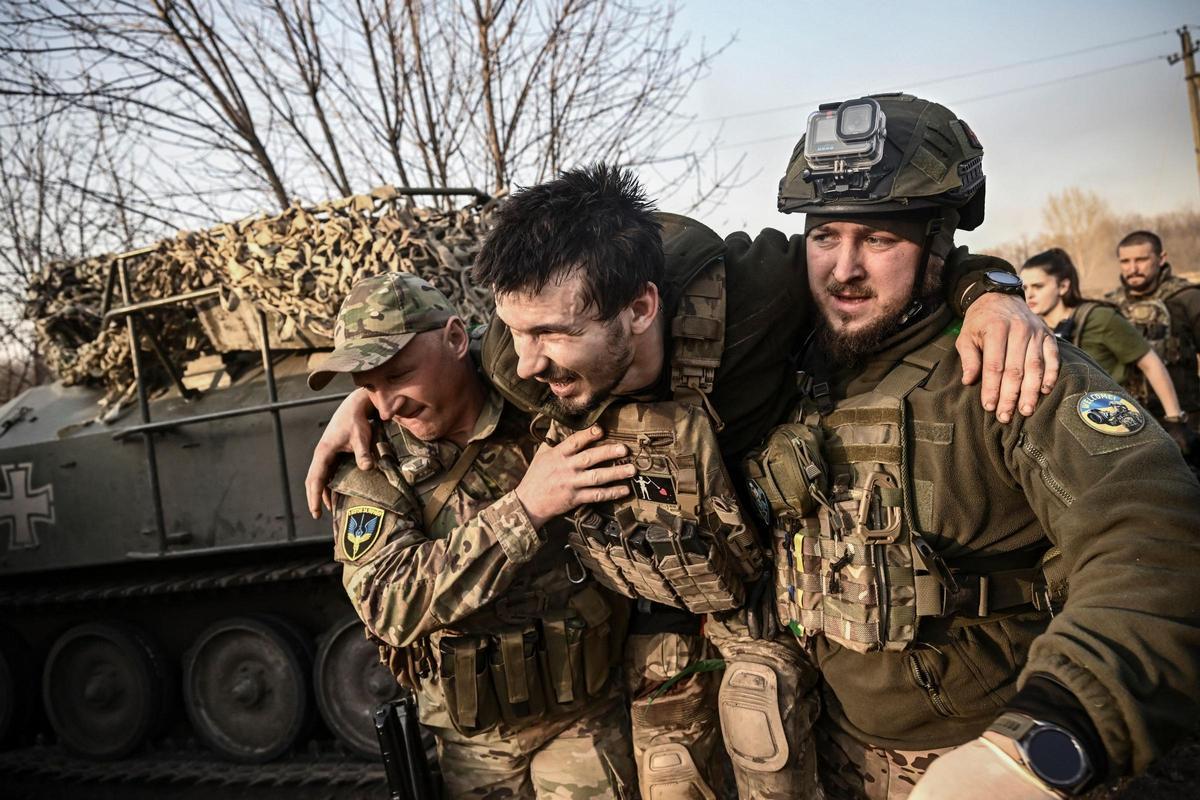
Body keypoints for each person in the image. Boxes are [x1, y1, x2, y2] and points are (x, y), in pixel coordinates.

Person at [305, 163, 1057, 799]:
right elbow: (453, 393)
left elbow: (874, 273)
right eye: (520, 338)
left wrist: (991, 291)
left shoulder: (754, 293)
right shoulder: (511, 364)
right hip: (609, 647)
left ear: (639, 309)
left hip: (765, 610)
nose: (530, 363)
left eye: (552, 338)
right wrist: (370, 398)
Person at [747, 92, 1200, 800]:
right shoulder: (790, 357)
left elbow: (1156, 540)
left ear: (936, 247)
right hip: (827, 749)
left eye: (880, 239)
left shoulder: (1010, 365)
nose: (843, 269)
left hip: (981, 753)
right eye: (826, 235)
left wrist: (1047, 738)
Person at [307, 272, 637, 799]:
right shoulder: (373, 460)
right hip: (474, 739)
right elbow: (386, 602)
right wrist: (525, 510)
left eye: (399, 374)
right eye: (367, 387)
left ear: (458, 340)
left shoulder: (539, 392)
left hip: (586, 713)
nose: (387, 406)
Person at [1020, 247, 1186, 421]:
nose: (1029, 294)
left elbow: (1150, 363)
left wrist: (1175, 418)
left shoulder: (1099, 318)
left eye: (1038, 286)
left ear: (1063, 286)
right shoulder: (1035, 328)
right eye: (1024, 287)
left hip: (1117, 417)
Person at [1104, 230, 1200, 431]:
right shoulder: (1110, 305)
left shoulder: (1187, 297)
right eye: (1125, 261)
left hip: (1185, 416)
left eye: (1141, 260)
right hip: (1130, 418)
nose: (1133, 268)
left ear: (1161, 258)